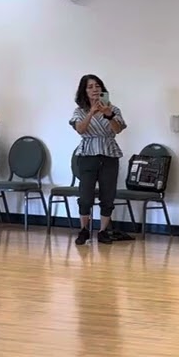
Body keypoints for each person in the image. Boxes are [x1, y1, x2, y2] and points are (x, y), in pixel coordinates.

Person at [69, 74, 133, 245]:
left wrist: (109, 115)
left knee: (108, 194)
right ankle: (84, 230)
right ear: (84, 91)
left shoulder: (114, 109)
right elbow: (81, 129)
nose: (95, 89)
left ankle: (103, 231)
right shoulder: (79, 111)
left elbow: (118, 130)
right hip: (88, 154)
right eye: (90, 87)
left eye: (97, 86)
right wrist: (91, 112)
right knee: (85, 196)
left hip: (109, 153)